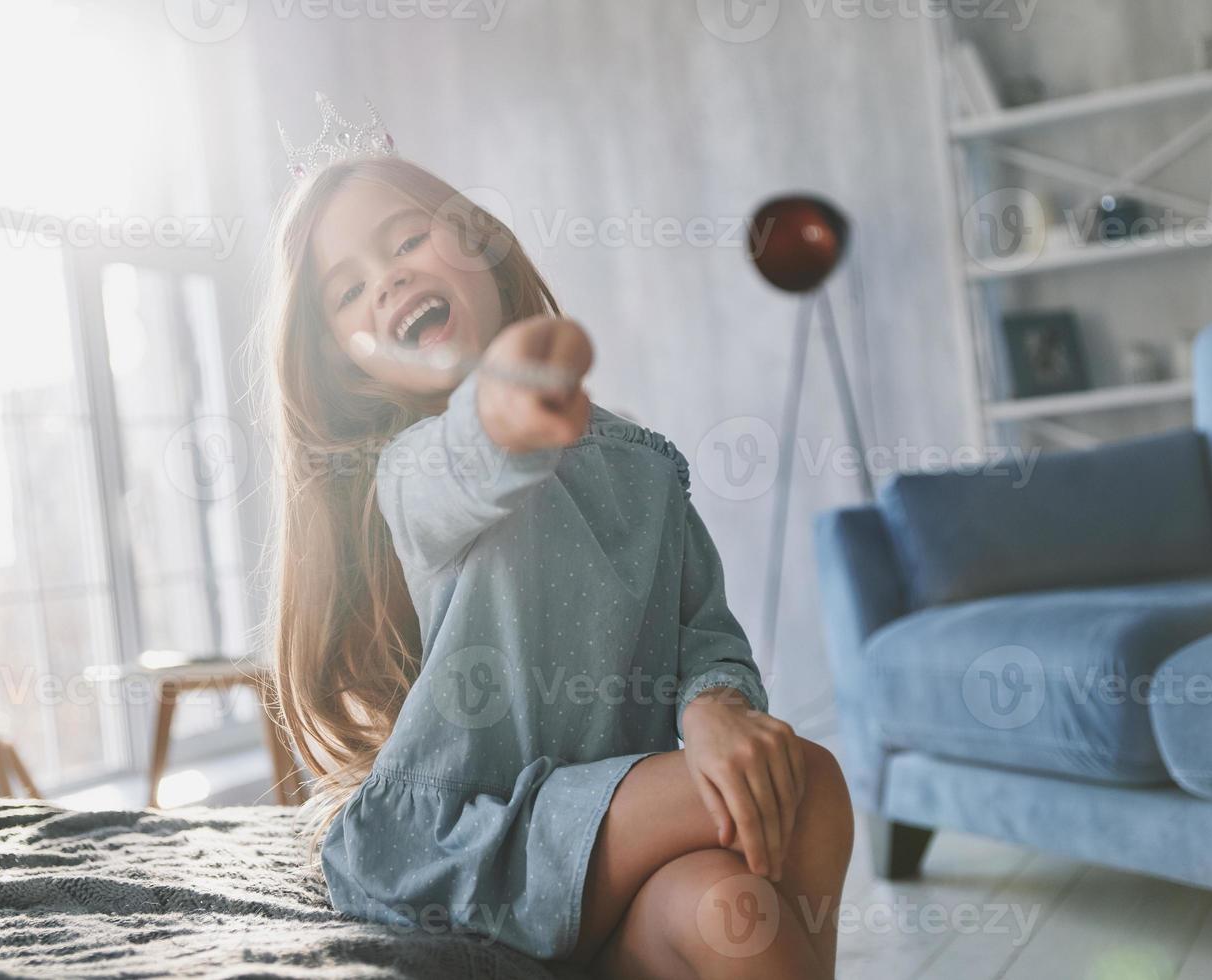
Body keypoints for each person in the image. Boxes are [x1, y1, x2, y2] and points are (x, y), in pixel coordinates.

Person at [257, 148, 853, 978]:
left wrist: (718, 709)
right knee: (812, 779)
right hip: (488, 837)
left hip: (619, 842)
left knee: (733, 908)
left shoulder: (643, 463)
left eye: (403, 244)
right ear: (349, 362)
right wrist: (504, 401)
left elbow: (706, 632)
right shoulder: (410, 474)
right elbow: (474, 454)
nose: (387, 284)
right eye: (349, 292)